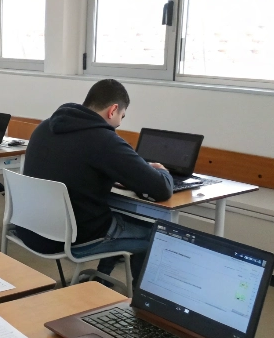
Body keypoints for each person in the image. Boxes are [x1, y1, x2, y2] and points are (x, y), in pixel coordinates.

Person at [17, 79, 173, 279]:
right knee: (158, 233)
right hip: (69, 238)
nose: (119, 124)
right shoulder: (104, 139)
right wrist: (163, 171)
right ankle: (137, 297)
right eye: (122, 116)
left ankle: (101, 279)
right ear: (113, 110)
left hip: (29, 228)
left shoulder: (44, 127)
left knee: (114, 217)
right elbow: (161, 189)